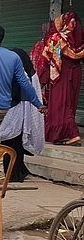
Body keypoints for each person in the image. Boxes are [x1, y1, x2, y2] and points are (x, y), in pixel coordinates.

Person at [34, 11, 84, 145]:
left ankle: (71, 134)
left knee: (60, 104)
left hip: (61, 74)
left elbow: (48, 57)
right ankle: (66, 133)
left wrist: (42, 79)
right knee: (69, 103)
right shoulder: (80, 40)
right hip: (75, 72)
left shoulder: (57, 38)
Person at [0, 48, 45, 182]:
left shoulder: (20, 74)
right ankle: (20, 171)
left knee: (10, 145)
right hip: (21, 113)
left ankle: (12, 176)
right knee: (15, 145)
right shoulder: (30, 73)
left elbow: (15, 94)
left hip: (15, 112)